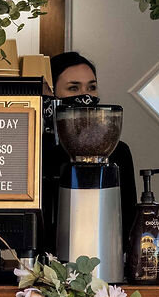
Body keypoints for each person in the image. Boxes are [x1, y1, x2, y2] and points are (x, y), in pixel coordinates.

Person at [43, 52, 137, 264]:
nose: (85, 96)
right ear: (51, 93)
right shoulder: (39, 152)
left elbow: (129, 222)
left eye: (91, 87)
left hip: (107, 266)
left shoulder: (118, 152)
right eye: (73, 88)